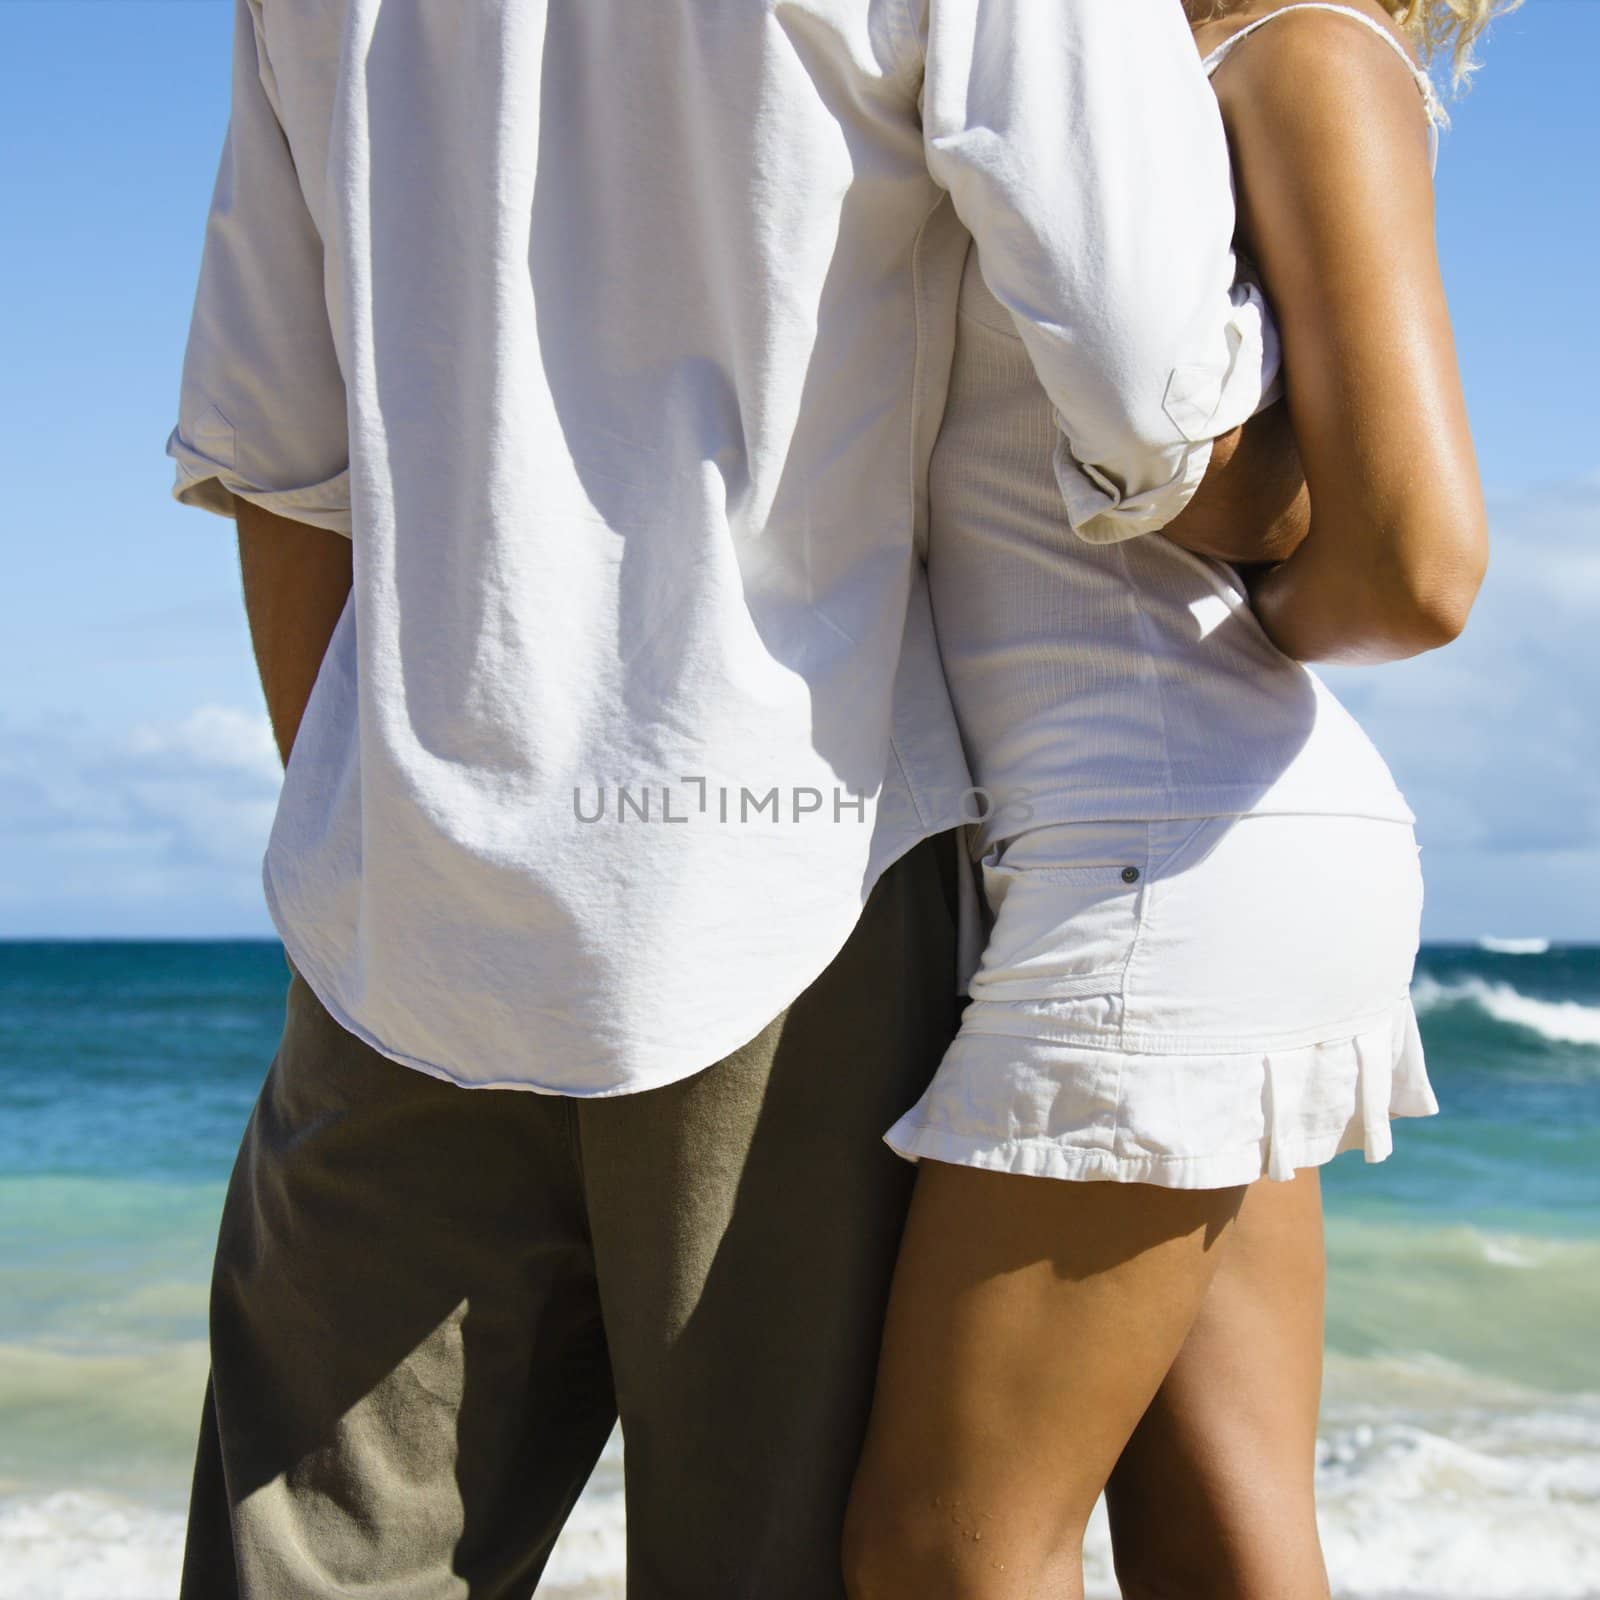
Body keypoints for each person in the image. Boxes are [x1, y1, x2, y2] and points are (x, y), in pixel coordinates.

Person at [165, 1, 1296, 1594]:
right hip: (800, 878)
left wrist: (397, 836)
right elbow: (1152, 385)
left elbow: (276, 456)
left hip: (406, 906)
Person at [844, 3, 1495, 1598]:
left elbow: (1418, 565)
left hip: (1172, 858)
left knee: (944, 1560)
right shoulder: (1104, 79)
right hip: (1193, 841)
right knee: (1227, 1540)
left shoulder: (1306, 47)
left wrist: (1250, 618)